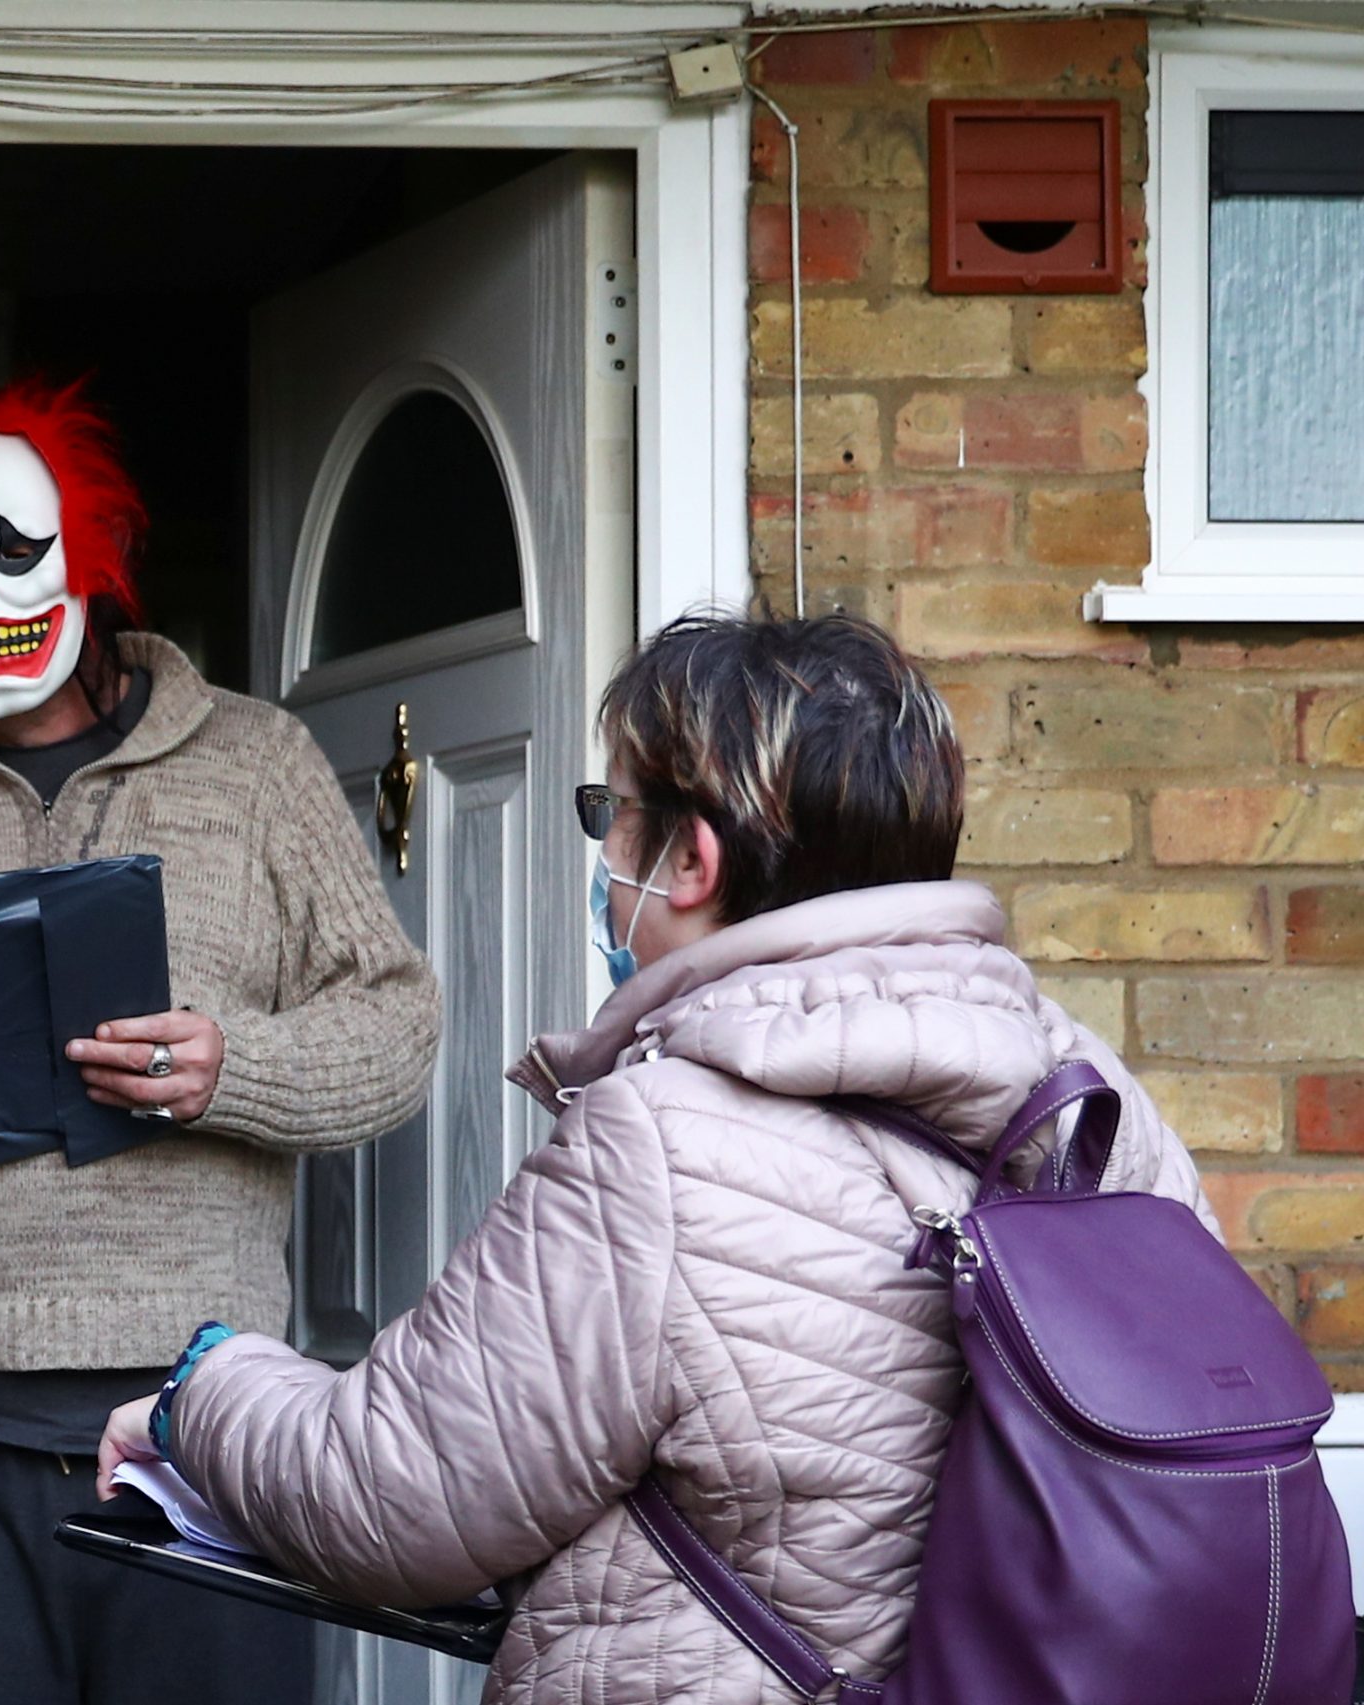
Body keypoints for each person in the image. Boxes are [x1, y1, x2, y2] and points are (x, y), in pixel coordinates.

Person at [97, 611, 1213, 1705]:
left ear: (689, 858)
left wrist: (203, 1386)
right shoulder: (1092, 1103)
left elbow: (391, 1493)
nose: (603, 854)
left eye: (610, 815)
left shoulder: (659, 1142)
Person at [0, 380, 439, 1705]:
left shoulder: (258, 765)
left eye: (6, 552)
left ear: (91, 550)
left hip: (207, 1429)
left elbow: (399, 1025)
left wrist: (238, 1069)